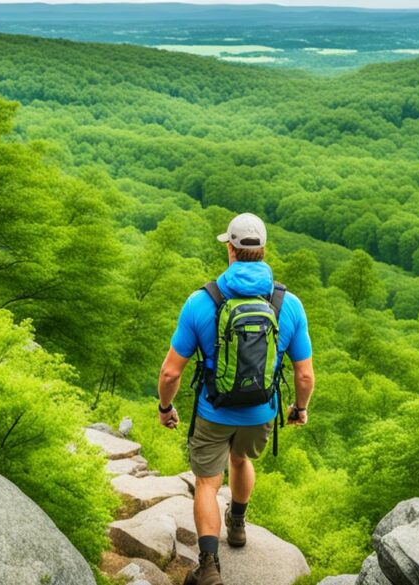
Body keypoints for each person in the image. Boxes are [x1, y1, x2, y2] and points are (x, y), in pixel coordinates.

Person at [157, 213, 315, 585]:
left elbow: (170, 372)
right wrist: (300, 409)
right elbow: (304, 374)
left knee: (208, 482)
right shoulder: (287, 303)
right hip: (261, 411)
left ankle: (209, 566)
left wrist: (166, 408)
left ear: (229, 248)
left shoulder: (201, 301)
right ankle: (238, 523)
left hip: (214, 410)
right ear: (263, 250)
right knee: (240, 457)